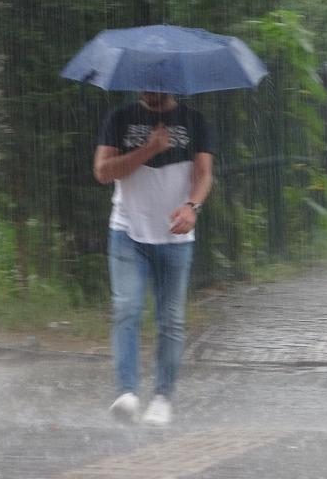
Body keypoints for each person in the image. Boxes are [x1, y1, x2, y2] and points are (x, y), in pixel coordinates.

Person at [94, 91, 214, 425]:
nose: (149, 90)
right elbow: (102, 172)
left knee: (171, 320)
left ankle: (162, 397)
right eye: (143, 83)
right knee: (127, 309)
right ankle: (127, 392)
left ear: (172, 86)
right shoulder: (119, 117)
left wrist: (192, 207)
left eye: (156, 85)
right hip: (127, 232)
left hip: (175, 238)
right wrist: (149, 148)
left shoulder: (194, 121)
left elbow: (204, 173)